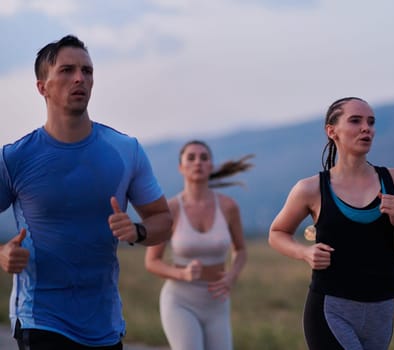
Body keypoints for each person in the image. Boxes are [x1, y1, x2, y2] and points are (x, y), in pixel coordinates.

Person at [0, 35, 173, 349]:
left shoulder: (125, 151)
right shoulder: (14, 158)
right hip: (40, 319)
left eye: (87, 71)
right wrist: (2, 253)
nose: (80, 78)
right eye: (66, 70)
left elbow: (163, 221)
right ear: (42, 87)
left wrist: (136, 230)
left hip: (104, 325)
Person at [268, 97, 394, 350]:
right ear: (332, 131)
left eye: (371, 122)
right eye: (355, 121)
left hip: (381, 311)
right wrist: (304, 252)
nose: (366, 128)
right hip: (331, 308)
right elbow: (277, 233)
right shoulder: (311, 188)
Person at [145, 140, 251, 350]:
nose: (198, 162)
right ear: (181, 167)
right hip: (180, 301)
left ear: (211, 166)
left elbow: (240, 250)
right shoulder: (171, 209)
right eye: (191, 158)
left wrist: (232, 275)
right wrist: (183, 274)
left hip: (217, 303)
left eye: (204, 157)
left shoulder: (228, 206)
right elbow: (152, 262)